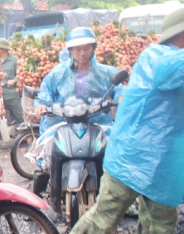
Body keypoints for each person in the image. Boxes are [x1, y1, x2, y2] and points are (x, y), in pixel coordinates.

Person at [62, 7, 184, 234]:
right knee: (107, 214)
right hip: (133, 156)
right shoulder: (157, 57)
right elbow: (170, 71)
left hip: (162, 164)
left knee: (162, 220)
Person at [32, 27, 124, 197]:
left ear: (93, 48)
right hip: (63, 122)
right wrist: (41, 105)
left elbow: (118, 89)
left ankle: (119, 198)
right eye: (78, 49)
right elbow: (44, 93)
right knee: (46, 159)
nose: (83, 53)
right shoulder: (58, 73)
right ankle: (36, 202)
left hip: (98, 124)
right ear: (70, 51)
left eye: (87, 48)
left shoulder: (106, 72)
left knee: (118, 157)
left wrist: (121, 97)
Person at [0, 38, 24, 125]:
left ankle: (28, 134)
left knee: (20, 115)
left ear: (2, 49)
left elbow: (21, 73)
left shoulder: (14, 60)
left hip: (11, 92)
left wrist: (14, 80)